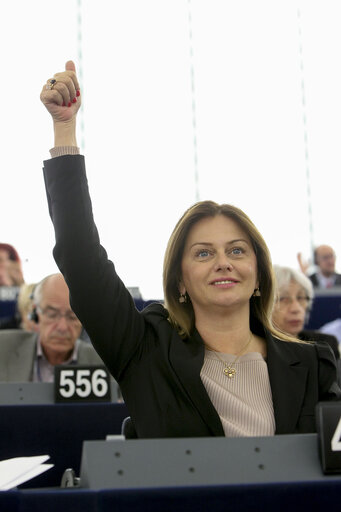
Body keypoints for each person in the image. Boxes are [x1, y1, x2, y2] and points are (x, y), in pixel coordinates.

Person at [39, 61, 340, 438]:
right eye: (202, 253)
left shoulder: (313, 362)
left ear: (260, 275)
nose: (222, 263)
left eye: (236, 251)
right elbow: (80, 257)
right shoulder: (144, 349)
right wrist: (64, 129)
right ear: (179, 281)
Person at [0, 273, 105, 382]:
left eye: (73, 317)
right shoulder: (3, 348)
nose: (62, 327)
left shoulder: (104, 364)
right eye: (52, 314)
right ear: (35, 314)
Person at [272, 265, 339, 360]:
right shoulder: (256, 351)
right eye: (283, 299)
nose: (296, 309)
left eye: (300, 298)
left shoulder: (324, 346)